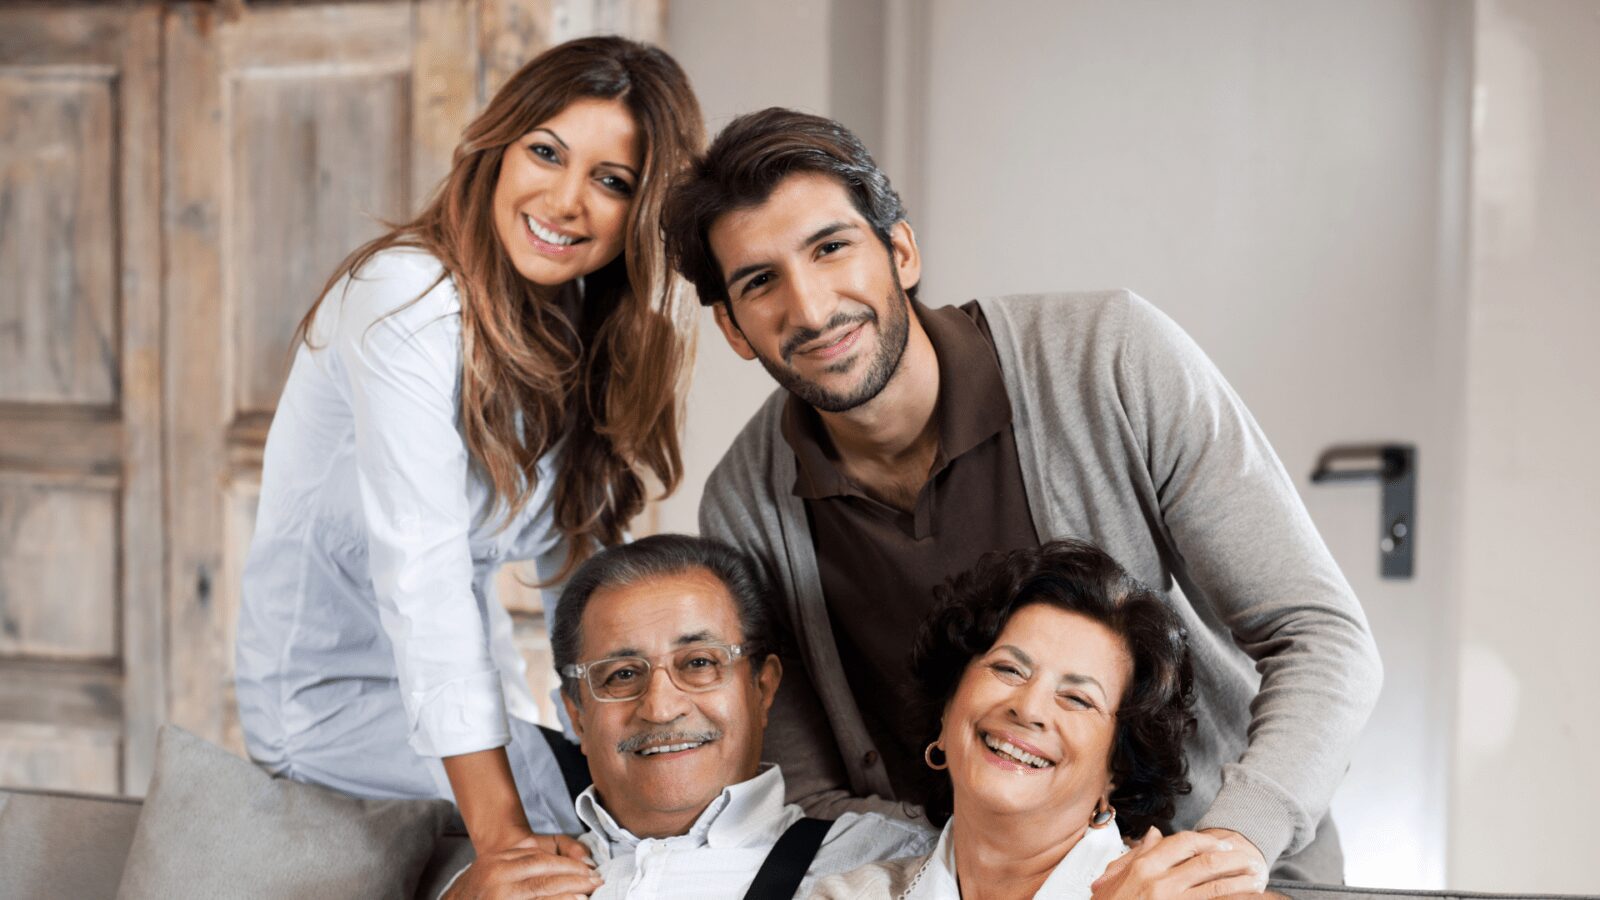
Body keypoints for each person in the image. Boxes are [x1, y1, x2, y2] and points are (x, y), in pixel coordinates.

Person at [663, 108, 1383, 881]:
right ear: (734, 328)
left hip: (1224, 867)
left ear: (900, 250)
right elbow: (803, 786)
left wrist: (1236, 843)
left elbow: (1322, 637)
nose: (809, 308)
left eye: (831, 248)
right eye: (760, 281)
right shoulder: (744, 507)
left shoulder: (1112, 358)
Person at [234, 36, 704, 867]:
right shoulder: (406, 300)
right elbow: (424, 572)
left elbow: (581, 584)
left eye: (611, 181)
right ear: (498, 144)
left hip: (474, 698)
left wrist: (630, 729)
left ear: (642, 212)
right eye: (547, 153)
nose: (565, 201)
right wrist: (503, 838)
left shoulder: (579, 321)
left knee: (670, 801)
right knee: (613, 835)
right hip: (330, 709)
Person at [445, 534, 933, 899]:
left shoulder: (900, 863)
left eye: (699, 663)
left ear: (762, 689)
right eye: (620, 675)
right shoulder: (492, 886)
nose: (660, 707)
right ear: (577, 716)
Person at [812, 540, 1271, 899]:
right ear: (947, 706)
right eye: (1008, 669)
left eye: (1077, 698)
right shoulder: (845, 895)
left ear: (1119, 767)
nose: (1029, 709)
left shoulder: (1185, 895)